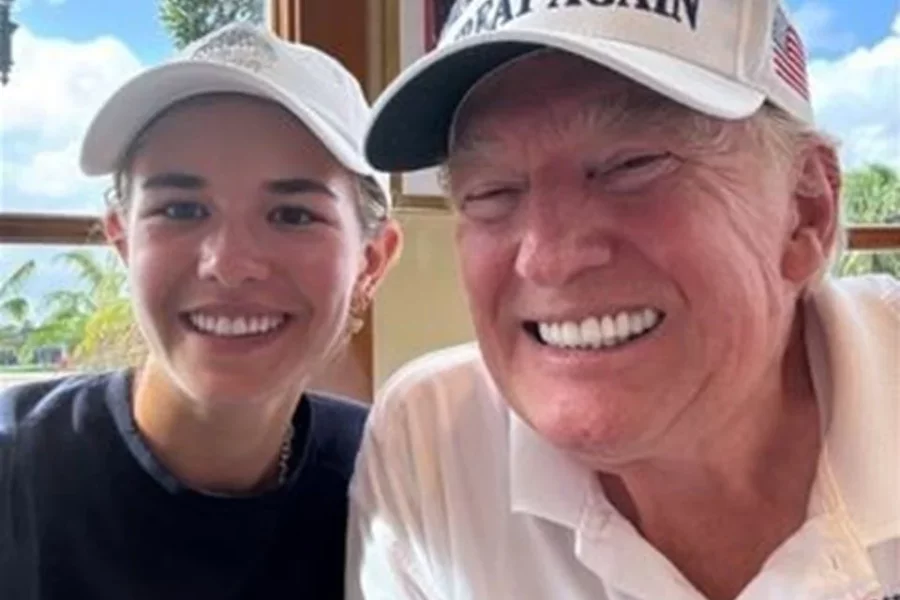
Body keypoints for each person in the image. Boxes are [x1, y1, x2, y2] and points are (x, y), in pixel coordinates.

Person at [347, 1, 899, 599]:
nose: (548, 259)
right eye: (492, 191)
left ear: (806, 211)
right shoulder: (435, 443)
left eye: (632, 166)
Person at [0, 22, 401, 600]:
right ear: (123, 242)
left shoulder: (392, 478)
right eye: (182, 209)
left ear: (371, 261)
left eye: (292, 216)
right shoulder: (17, 471)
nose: (229, 265)